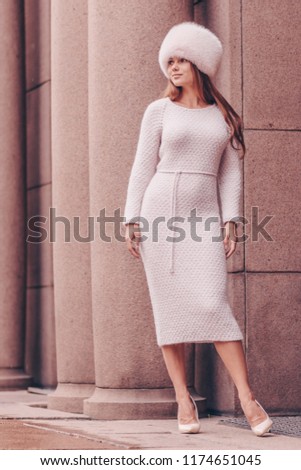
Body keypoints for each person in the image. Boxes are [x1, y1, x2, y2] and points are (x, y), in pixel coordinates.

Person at [123, 22, 273, 436]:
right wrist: (131, 218)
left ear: (200, 64)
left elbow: (229, 175)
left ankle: (247, 397)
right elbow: (142, 166)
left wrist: (231, 219)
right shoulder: (158, 111)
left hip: (203, 216)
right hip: (159, 213)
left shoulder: (223, 115)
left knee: (212, 303)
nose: (172, 67)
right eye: (168, 61)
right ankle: (182, 399)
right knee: (168, 310)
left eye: (181, 59)